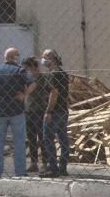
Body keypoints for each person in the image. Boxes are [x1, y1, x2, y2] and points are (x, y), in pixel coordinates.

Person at [0, 47, 34, 177]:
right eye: (18, 55)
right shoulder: (19, 70)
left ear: (6, 57)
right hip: (16, 111)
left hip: (0, 111)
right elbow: (33, 84)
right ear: (15, 57)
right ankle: (20, 172)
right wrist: (24, 94)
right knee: (19, 141)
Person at [40, 48, 70, 178]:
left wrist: (48, 111)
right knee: (63, 139)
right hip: (63, 110)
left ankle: (53, 169)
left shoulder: (54, 74)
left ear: (50, 58)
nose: (42, 60)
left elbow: (54, 93)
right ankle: (63, 167)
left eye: (44, 57)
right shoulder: (62, 72)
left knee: (48, 139)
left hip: (54, 112)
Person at [22, 56, 50, 173]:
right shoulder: (27, 78)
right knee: (31, 137)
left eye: (26, 68)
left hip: (40, 110)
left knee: (42, 137)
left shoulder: (43, 77)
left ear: (32, 67)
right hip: (29, 110)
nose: (25, 70)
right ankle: (34, 163)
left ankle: (45, 163)